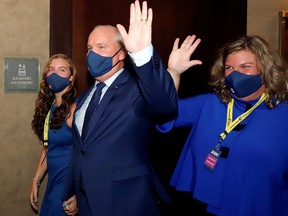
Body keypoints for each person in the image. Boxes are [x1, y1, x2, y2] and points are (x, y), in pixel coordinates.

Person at [62, 1, 178, 216]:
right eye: (89, 48)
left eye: (101, 47)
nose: (92, 54)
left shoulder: (136, 89)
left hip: (126, 200)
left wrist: (142, 54)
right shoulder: (86, 95)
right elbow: (82, 150)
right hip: (86, 200)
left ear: (122, 54)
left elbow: (165, 105)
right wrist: (74, 190)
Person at [158, 34, 288, 216]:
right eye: (229, 68)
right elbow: (164, 114)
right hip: (200, 205)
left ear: (265, 69)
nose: (235, 74)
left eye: (245, 67)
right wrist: (174, 72)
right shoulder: (209, 103)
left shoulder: (283, 115)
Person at [30, 53, 78, 216]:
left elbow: (91, 154)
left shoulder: (75, 110)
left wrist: (79, 192)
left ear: (71, 77)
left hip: (68, 184)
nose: (54, 74)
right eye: (51, 69)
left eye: (61, 69)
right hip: (53, 182)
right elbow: (47, 148)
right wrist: (36, 180)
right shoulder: (50, 109)